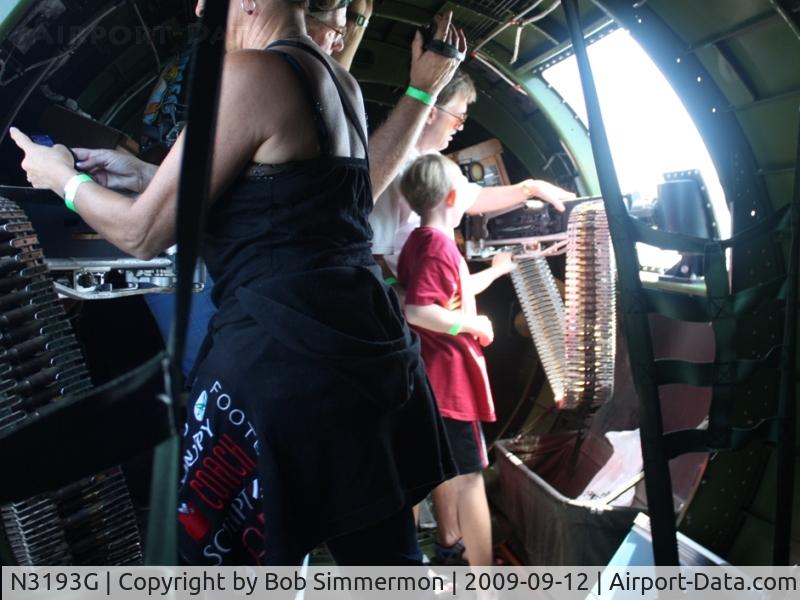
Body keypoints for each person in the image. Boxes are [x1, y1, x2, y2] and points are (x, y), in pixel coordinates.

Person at [11, 0, 456, 566]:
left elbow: (142, 232)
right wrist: (144, 176)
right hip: (369, 355)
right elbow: (291, 202)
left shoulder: (250, 73)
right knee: (384, 560)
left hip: (282, 365)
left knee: (211, 560)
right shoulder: (341, 84)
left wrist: (62, 180)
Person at [397, 154, 515, 566]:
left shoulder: (423, 241)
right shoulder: (438, 247)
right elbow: (419, 310)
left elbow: (451, 292)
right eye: (465, 182)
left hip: (428, 381)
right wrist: (474, 326)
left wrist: (498, 271)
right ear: (452, 197)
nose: (469, 188)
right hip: (448, 385)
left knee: (416, 478)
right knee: (470, 484)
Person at [369, 70, 576, 277]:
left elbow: (471, 198)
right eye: (458, 118)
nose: (460, 128)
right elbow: (374, 254)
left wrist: (531, 187)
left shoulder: (433, 160)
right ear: (431, 113)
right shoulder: (390, 168)